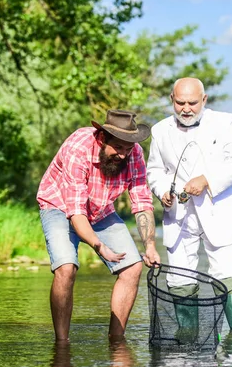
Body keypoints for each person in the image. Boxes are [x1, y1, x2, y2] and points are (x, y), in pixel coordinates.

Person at [37, 109, 161, 342]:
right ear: (103, 138)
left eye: (128, 148)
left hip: (101, 210)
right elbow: (76, 212)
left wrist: (151, 245)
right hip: (59, 206)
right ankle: (62, 343)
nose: (123, 155)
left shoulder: (134, 154)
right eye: (118, 148)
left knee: (133, 267)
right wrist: (98, 245)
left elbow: (142, 202)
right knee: (66, 268)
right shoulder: (79, 148)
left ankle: (116, 341)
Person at [146, 77, 232, 331]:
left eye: (193, 102)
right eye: (180, 102)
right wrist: (162, 191)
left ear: (204, 100)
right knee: (179, 277)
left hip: (218, 211)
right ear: (172, 100)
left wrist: (207, 180)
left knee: (226, 273)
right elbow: (155, 171)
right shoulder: (159, 130)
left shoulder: (225, 122)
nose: (186, 108)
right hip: (178, 215)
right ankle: (187, 341)